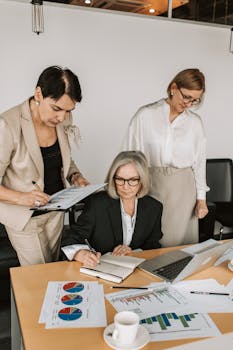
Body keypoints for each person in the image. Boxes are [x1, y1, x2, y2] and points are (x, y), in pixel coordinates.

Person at [0, 65, 89, 266]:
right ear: (38, 93)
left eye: (69, 111)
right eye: (56, 108)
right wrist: (22, 197)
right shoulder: (7, 124)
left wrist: (75, 175)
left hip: (56, 211)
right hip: (24, 217)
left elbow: (62, 158)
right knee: (38, 276)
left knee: (53, 270)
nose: (61, 118)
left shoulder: (64, 118)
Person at [123, 68, 209, 247]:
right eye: (186, 97)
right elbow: (129, 155)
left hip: (183, 190)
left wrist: (201, 200)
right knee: (151, 242)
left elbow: (200, 163)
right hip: (150, 184)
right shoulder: (145, 115)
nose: (189, 103)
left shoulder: (195, 123)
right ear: (173, 87)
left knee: (181, 245)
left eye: (195, 100)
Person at [61, 151, 163, 267]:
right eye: (120, 179)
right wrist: (78, 253)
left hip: (136, 271)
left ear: (142, 180)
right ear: (112, 178)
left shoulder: (154, 207)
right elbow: (70, 238)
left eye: (133, 180)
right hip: (100, 269)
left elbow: (153, 247)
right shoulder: (97, 204)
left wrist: (133, 252)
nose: (125, 186)